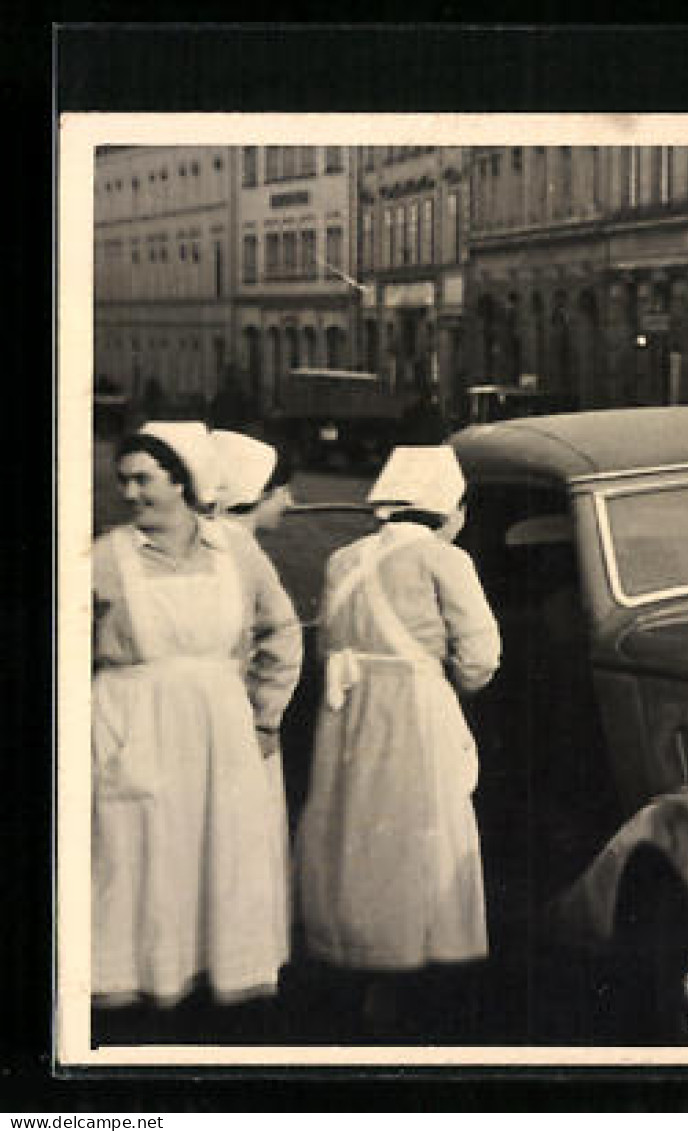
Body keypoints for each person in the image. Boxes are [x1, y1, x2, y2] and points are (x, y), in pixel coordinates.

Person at [91, 422, 301, 1034]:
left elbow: (281, 632)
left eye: (144, 479)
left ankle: (218, 987)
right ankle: (138, 991)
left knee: (219, 850)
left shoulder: (234, 550)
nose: (130, 493)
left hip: (220, 727)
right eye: (122, 480)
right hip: (130, 721)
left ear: (182, 482)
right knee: (138, 855)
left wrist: (265, 716)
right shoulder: (103, 557)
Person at [295, 445, 501, 1037]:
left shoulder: (343, 559)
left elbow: (327, 641)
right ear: (449, 508)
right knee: (419, 826)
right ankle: (416, 962)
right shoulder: (446, 560)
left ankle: (354, 951)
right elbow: (481, 653)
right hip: (413, 704)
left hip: (349, 707)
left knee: (353, 826)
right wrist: (459, 683)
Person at [211, 430, 303, 956]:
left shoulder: (201, 540)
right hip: (240, 721)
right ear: (255, 493)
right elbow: (284, 638)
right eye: (281, 491)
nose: (290, 502)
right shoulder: (242, 549)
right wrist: (267, 717)